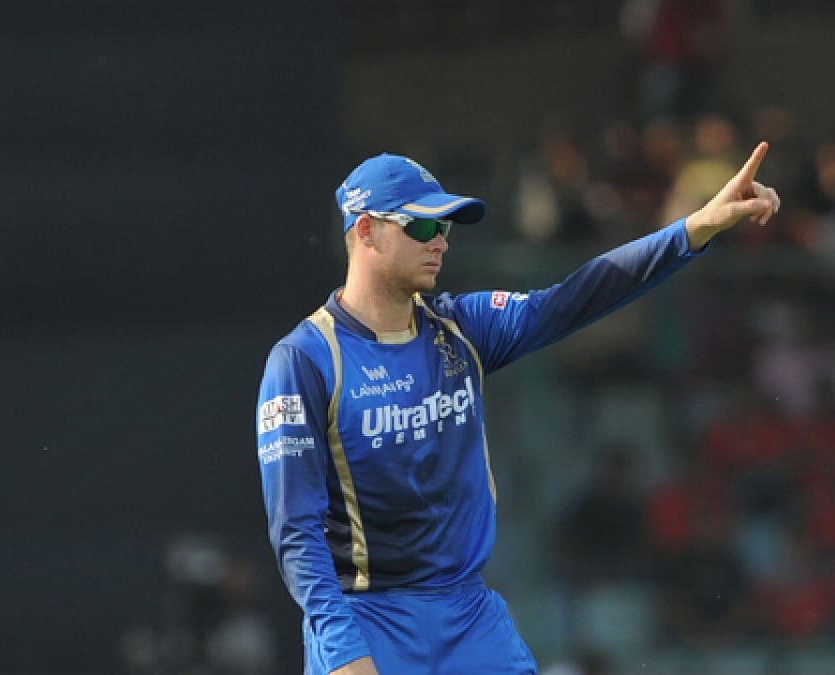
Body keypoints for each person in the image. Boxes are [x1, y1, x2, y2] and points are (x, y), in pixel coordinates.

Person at [254, 144, 781, 674]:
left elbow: (576, 297)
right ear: (367, 231)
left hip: (469, 615)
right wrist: (342, 649)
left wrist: (695, 229)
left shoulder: (462, 329)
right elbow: (296, 530)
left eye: (445, 228)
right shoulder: (304, 359)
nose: (440, 242)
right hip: (367, 619)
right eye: (422, 227)